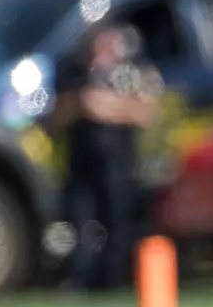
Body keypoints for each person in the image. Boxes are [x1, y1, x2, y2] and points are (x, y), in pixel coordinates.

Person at [56, 25, 163, 290]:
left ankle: (114, 278)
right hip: (81, 160)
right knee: (80, 222)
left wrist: (105, 106)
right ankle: (80, 278)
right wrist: (84, 104)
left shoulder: (132, 71)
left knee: (118, 221)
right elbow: (57, 113)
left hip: (119, 162)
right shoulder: (74, 72)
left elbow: (148, 111)